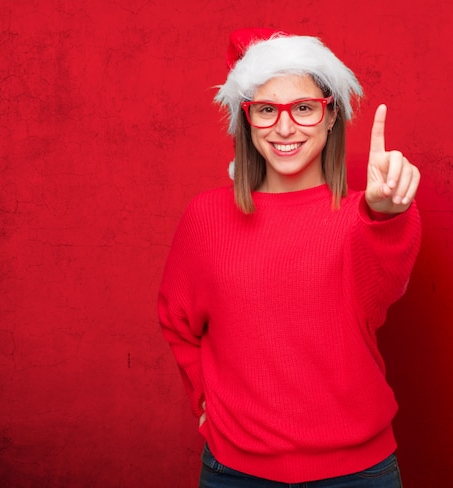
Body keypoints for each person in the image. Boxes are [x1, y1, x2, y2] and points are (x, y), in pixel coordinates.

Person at [158, 28, 421, 487]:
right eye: (265, 110)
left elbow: (382, 289)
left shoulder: (363, 217)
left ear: (330, 115)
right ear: (247, 119)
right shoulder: (206, 216)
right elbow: (176, 321)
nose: (284, 128)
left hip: (358, 473)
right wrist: (206, 404)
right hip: (236, 473)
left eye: (303, 108)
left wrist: (386, 212)